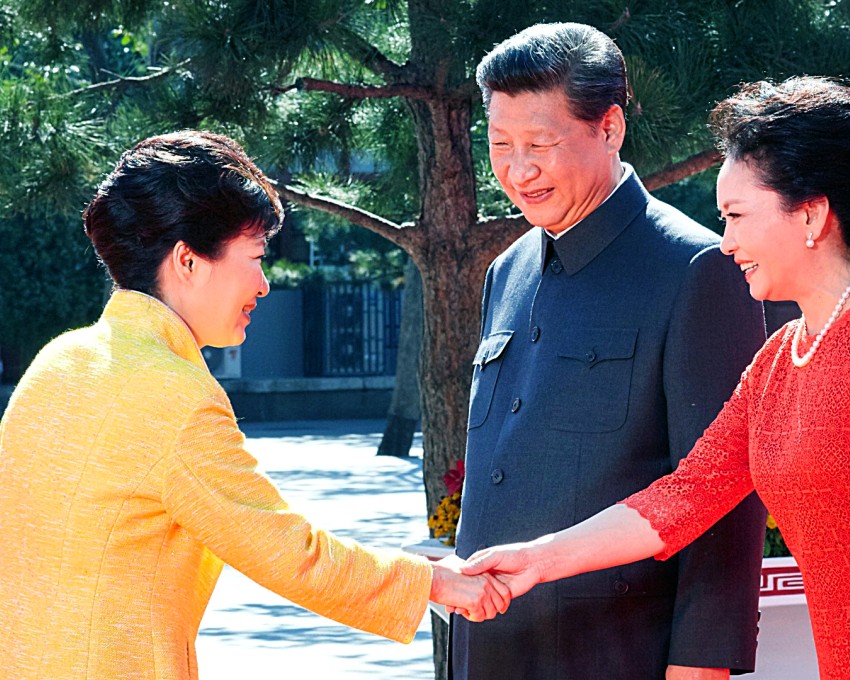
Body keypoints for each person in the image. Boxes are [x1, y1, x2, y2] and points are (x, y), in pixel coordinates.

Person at [461, 76, 850, 679]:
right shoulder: (783, 356)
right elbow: (681, 499)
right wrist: (540, 560)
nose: (725, 243)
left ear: (811, 215)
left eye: (736, 216)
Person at [0, 130, 509, 679]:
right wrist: (432, 581)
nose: (264, 284)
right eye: (255, 257)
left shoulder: (59, 360)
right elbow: (288, 552)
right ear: (188, 262)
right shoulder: (175, 396)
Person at [454, 22, 768, 680]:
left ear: (611, 128)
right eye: (501, 145)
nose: (518, 169)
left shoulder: (695, 269)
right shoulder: (506, 273)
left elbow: (723, 496)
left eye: (540, 143)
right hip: (489, 653)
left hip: (617, 656)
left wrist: (700, 667)